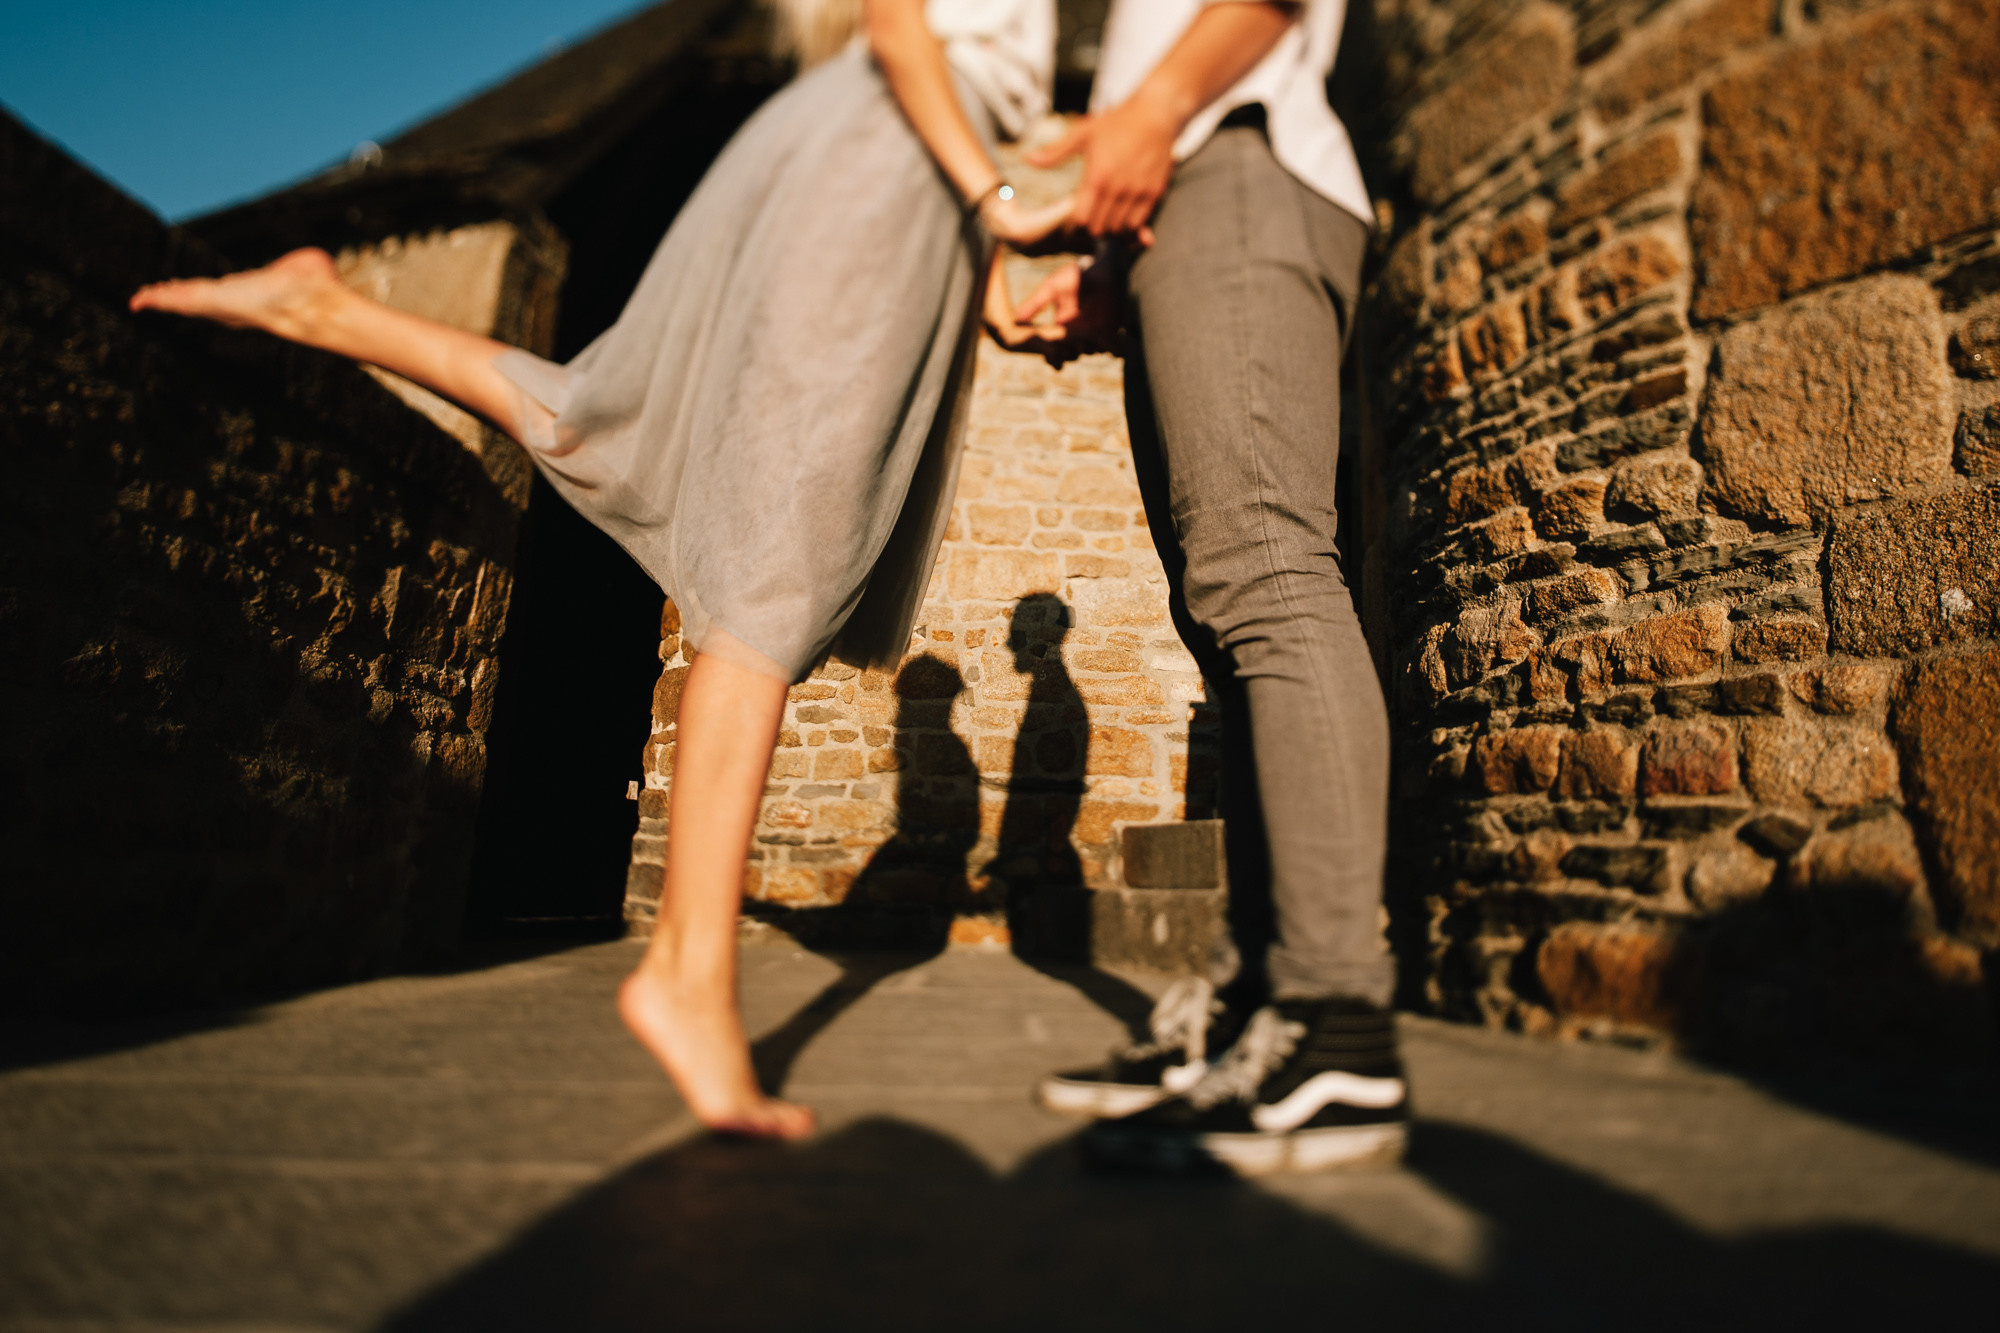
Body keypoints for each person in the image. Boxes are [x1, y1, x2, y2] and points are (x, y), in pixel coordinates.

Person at [132, 0, 1068, 1141]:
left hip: (899, 171)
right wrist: (998, 198)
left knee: (599, 428)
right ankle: (685, 973)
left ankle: (318, 306)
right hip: (886, 153)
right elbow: (900, 29)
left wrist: (980, 273)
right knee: (779, 568)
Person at [1019, 0, 1408, 1174]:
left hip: (1240, 152)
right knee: (1220, 608)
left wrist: (1150, 113)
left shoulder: (1207, 124)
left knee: (1266, 570)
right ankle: (1257, 1008)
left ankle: (1336, 1022)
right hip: (1191, 187)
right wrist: (1107, 261)